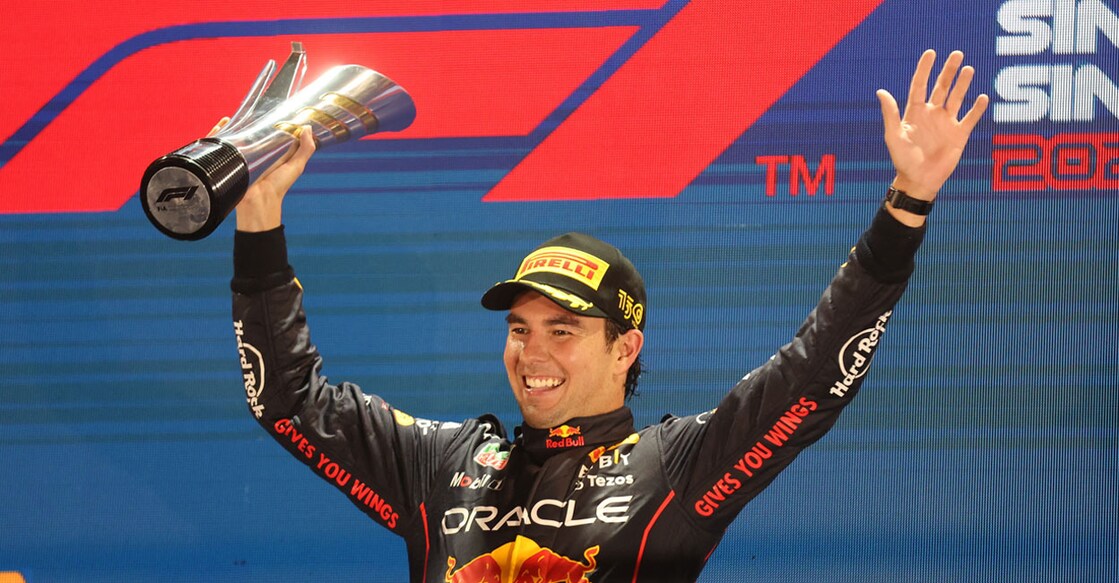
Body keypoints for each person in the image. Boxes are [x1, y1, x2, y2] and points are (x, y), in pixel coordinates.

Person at [228, 50, 987, 582]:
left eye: (563, 331)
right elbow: (287, 401)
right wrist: (259, 217)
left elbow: (814, 376)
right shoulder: (443, 465)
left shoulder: (680, 468)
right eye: (520, 328)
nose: (532, 353)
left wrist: (906, 204)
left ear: (626, 348)